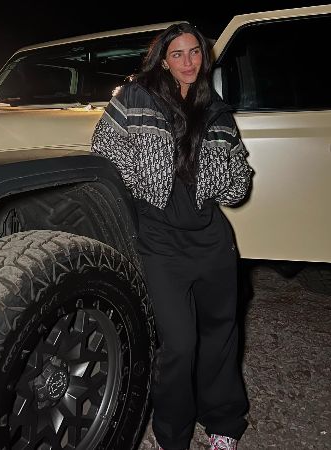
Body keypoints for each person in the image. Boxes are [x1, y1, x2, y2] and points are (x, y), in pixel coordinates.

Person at [91, 22, 253, 450]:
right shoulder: (136, 97)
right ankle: (172, 435)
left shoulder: (216, 109)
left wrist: (221, 174)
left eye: (195, 52)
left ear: (204, 56)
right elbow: (104, 151)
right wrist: (145, 188)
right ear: (163, 58)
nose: (188, 62)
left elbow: (239, 185)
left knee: (221, 334)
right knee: (179, 344)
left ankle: (223, 423)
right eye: (178, 53)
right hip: (160, 240)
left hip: (213, 240)